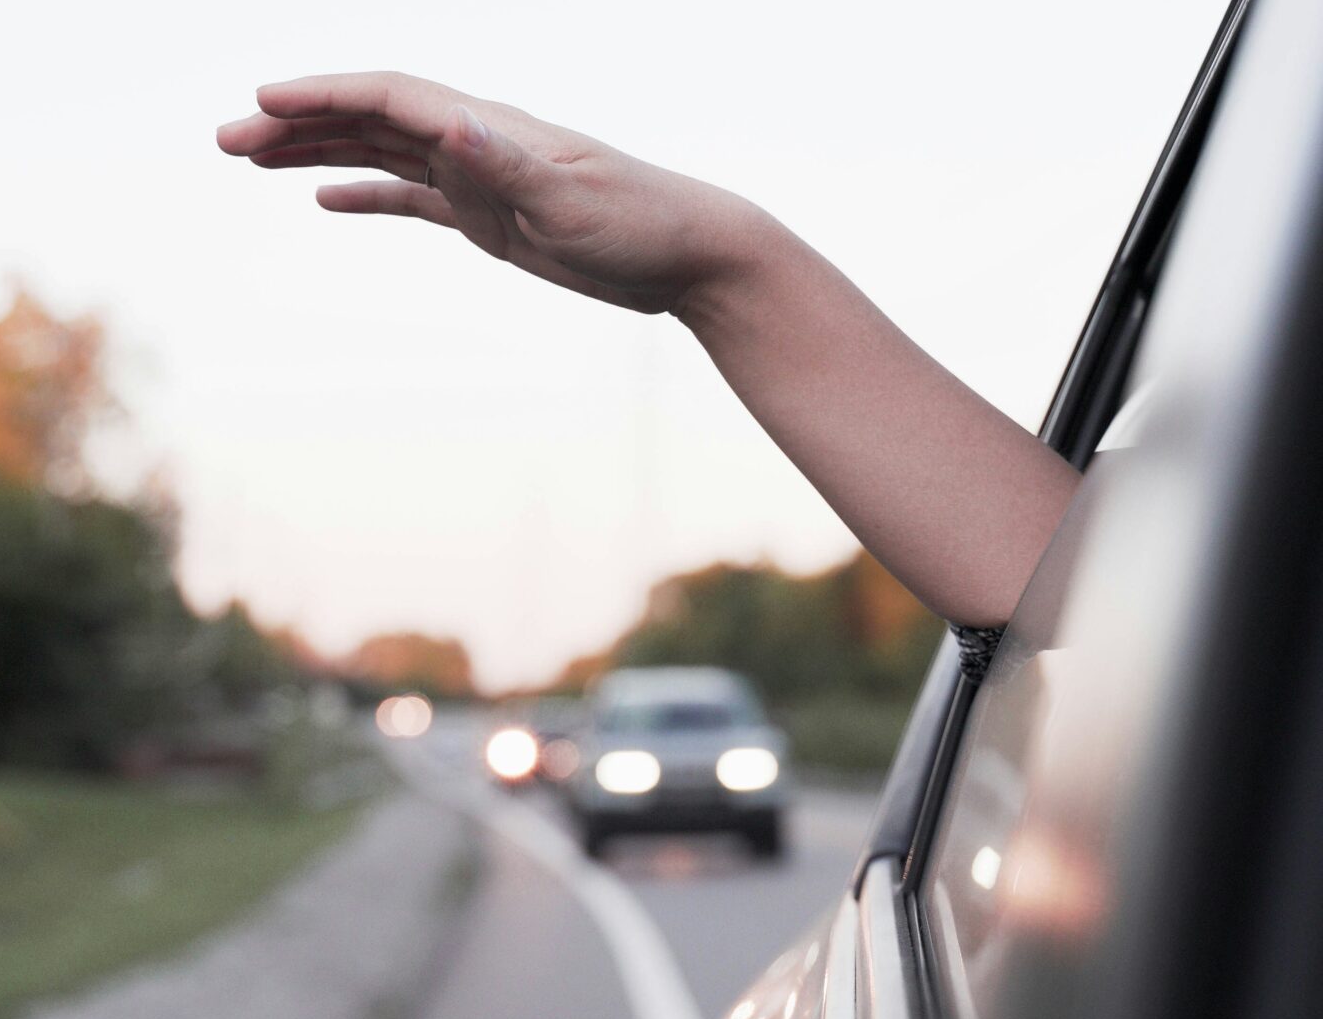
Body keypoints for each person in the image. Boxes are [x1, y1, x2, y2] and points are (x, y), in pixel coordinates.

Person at [217, 73, 1079, 671]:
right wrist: (714, 273)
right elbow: (1078, 605)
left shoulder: (1124, 614)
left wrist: (716, 270)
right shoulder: (1117, 604)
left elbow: (1076, 614)